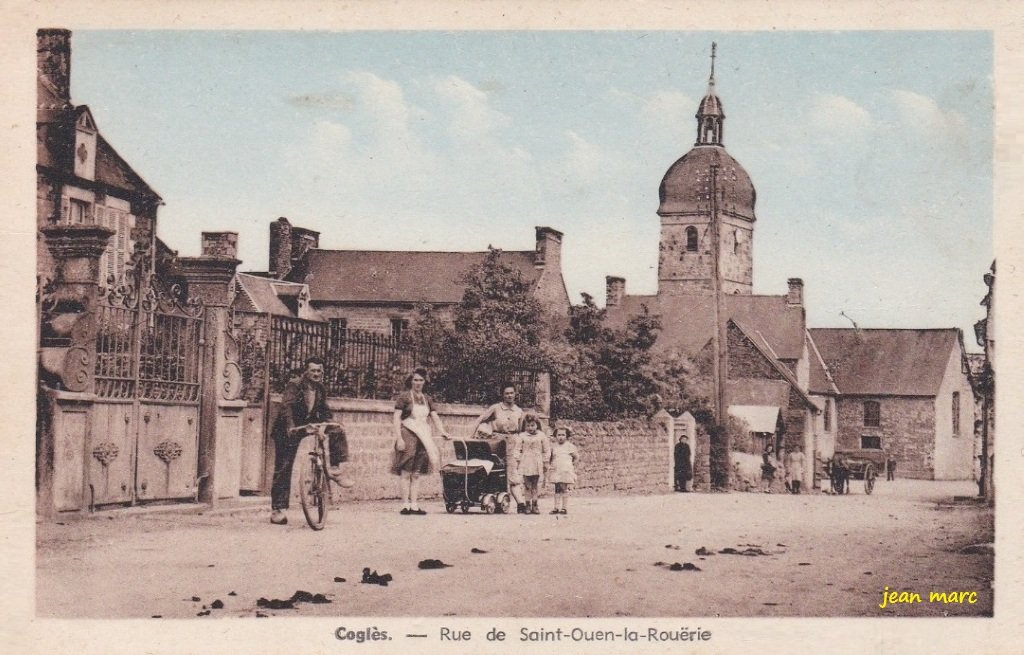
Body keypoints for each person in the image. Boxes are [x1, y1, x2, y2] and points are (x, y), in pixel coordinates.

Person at [270, 357, 353, 525]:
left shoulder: (320, 388)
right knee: (284, 467)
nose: (316, 374)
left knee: (337, 428)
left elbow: (325, 411)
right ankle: (278, 510)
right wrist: (291, 427)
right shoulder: (295, 385)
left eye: (319, 371)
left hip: (309, 424)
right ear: (306, 371)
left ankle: (335, 468)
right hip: (289, 428)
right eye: (313, 370)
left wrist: (325, 425)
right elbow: (287, 407)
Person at [391, 367, 449, 515]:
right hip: (408, 433)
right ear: (411, 381)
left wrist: (443, 432)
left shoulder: (427, 399)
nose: (418, 383)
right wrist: (399, 438)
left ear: (425, 382)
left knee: (416, 472)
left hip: (423, 435)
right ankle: (405, 505)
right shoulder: (404, 397)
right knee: (406, 470)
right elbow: (397, 418)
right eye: (415, 379)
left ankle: (415, 504)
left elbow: (435, 417)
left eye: (421, 380)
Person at [470, 385, 527, 513]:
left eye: (512, 393)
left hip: (513, 442)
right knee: (494, 469)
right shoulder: (495, 408)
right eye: (506, 393)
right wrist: (471, 435)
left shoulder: (519, 411)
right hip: (496, 442)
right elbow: (480, 419)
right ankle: (494, 499)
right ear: (502, 394)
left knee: (512, 470)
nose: (509, 396)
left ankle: (521, 503)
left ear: (515, 394)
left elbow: (523, 430)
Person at [513, 412, 551, 515]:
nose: (530, 428)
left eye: (533, 425)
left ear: (537, 425)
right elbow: (517, 449)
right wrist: (517, 460)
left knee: (535, 485)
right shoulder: (522, 436)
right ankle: (527, 505)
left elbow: (547, 449)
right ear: (524, 426)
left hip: (537, 462)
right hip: (526, 462)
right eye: (528, 425)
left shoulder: (541, 436)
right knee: (527, 485)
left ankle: (535, 505)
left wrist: (545, 461)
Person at [548, 426, 579, 514]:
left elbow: (576, 457)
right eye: (558, 435)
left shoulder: (570, 446)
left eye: (563, 435)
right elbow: (551, 457)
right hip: (557, 469)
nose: (561, 437)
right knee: (557, 488)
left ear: (567, 436)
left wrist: (571, 466)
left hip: (565, 469)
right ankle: (556, 507)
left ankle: (564, 507)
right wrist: (551, 466)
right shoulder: (553, 447)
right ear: (555, 436)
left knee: (564, 488)